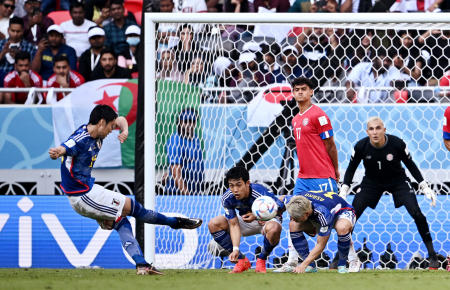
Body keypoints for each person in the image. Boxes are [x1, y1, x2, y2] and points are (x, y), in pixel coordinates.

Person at [48, 104, 202, 275]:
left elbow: (120, 120)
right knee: (132, 207)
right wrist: (57, 152)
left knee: (122, 220)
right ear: (101, 122)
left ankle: (142, 265)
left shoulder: (96, 130)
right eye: (110, 127)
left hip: (87, 191)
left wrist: (125, 130)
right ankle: (174, 223)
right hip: (82, 195)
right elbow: (66, 146)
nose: (111, 131)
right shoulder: (81, 138)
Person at [274, 77, 360, 273]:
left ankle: (353, 260)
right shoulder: (295, 119)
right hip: (303, 178)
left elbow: (330, 145)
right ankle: (293, 261)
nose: (300, 93)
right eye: (296, 89)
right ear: (293, 93)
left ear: (311, 92)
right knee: (294, 216)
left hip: (323, 175)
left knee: (339, 221)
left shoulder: (319, 115)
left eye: (304, 89)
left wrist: (335, 169)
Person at [339, 116, 440, 269]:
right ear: (367, 131)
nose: (375, 132)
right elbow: (351, 168)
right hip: (371, 183)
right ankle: (339, 258)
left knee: (417, 213)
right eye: (371, 129)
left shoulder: (397, 144)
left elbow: (411, 165)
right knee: (350, 217)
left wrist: (424, 186)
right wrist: (344, 189)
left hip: (397, 181)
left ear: (384, 130)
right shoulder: (361, 146)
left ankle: (432, 256)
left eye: (378, 128)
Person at [208, 166, 284, 273]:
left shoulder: (259, 191)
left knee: (274, 228)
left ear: (247, 183)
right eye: (231, 186)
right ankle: (241, 260)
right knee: (214, 223)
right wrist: (235, 249)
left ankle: (261, 259)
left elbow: (280, 206)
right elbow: (234, 224)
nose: (235, 190)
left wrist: (259, 215)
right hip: (246, 221)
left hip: (266, 221)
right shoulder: (227, 197)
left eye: (239, 185)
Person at [283, 190, 356, 274]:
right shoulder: (294, 200)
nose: (293, 218)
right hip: (318, 215)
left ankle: (342, 265)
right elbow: (282, 199)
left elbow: (321, 244)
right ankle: (311, 265)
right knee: (293, 225)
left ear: (306, 214)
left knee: (342, 227)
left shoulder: (324, 214)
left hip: (343, 211)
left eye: (296, 217)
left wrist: (303, 265)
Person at [165, 108, 204, 195]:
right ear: (180, 122)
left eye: (192, 121)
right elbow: (175, 172)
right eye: (186, 121)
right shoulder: (176, 141)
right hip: (178, 194)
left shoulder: (195, 137)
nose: (189, 124)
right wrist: (187, 195)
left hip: (195, 191)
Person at [0, 16, 37, 86]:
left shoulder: (29, 47)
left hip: (21, 80)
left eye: (18, 31)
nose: (15, 34)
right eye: (13, 31)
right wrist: (3, 52)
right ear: (8, 30)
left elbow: (33, 69)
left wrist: (19, 56)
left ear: (23, 31)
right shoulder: (1, 44)